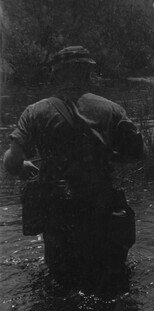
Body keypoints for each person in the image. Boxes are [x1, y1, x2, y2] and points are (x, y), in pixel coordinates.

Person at [3, 46, 144, 290]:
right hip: (102, 213)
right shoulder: (112, 110)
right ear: (89, 72)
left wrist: (24, 165)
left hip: (60, 218)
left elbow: (11, 163)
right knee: (110, 287)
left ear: (56, 74)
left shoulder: (35, 112)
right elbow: (139, 154)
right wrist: (111, 159)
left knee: (61, 288)